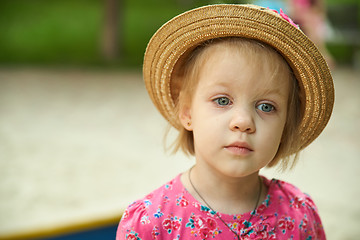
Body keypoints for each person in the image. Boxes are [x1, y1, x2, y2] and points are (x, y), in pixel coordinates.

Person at [116, 4, 334, 240]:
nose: (243, 122)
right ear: (187, 112)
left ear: (285, 127)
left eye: (266, 107)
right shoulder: (150, 223)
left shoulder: (298, 217)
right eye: (222, 100)